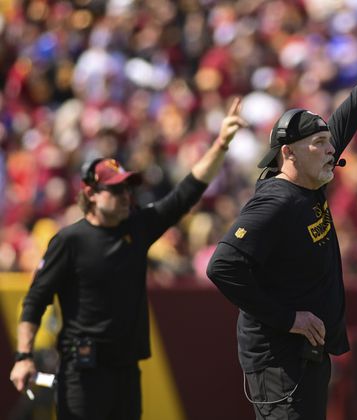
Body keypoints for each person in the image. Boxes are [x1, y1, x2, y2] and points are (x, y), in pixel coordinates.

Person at [207, 21, 357, 420]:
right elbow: (222, 266)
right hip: (279, 360)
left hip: (306, 353)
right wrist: (288, 318)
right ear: (288, 154)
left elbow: (342, 123)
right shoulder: (276, 202)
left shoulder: (310, 177)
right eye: (319, 144)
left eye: (330, 143)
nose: (331, 151)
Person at [9, 98, 247, 420]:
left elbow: (186, 193)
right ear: (91, 194)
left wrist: (220, 144)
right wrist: (24, 355)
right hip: (83, 372)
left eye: (128, 189)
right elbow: (35, 300)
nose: (126, 197)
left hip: (126, 369)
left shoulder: (138, 226)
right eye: (116, 190)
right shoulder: (69, 241)